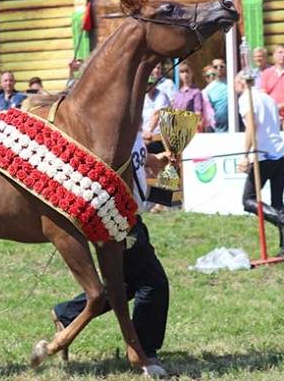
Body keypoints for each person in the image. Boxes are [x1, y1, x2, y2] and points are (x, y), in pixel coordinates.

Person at [52, 131, 170, 366]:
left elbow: (146, 161)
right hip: (119, 220)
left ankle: (68, 313)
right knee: (153, 283)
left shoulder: (132, 132)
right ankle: (145, 351)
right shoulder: (116, 132)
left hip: (133, 218)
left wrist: (163, 160)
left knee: (126, 284)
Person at [237, 88, 284, 256]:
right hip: (280, 153)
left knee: (248, 200)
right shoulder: (268, 98)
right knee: (277, 202)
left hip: (263, 156)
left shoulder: (245, 98)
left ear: (241, 82)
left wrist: (245, 156)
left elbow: (251, 126)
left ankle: (283, 221)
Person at [171, 62, 214, 132]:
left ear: (192, 73)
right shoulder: (178, 94)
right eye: (182, 72)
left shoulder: (196, 92)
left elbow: (198, 114)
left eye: (187, 71)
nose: (185, 74)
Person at [142, 81, 170, 153]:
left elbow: (156, 114)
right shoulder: (144, 96)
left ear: (155, 84)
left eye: (151, 84)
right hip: (145, 137)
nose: (148, 86)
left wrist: (149, 130)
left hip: (159, 139)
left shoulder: (161, 96)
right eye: (147, 84)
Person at [202, 64, 229, 132]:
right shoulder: (204, 93)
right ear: (205, 79)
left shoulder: (226, 86)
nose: (211, 77)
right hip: (212, 129)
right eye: (208, 76)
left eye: (213, 74)